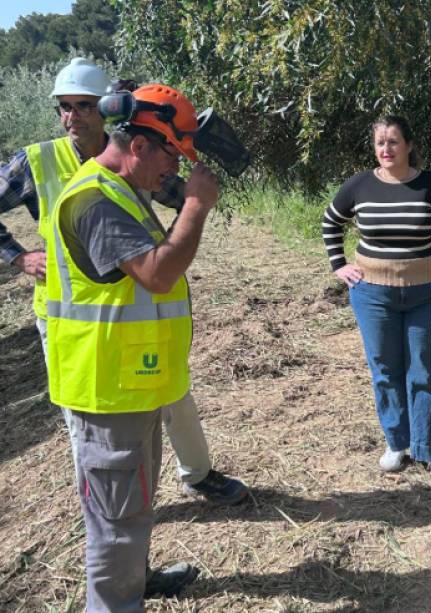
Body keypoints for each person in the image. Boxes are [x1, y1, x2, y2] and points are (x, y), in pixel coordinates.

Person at [0, 57, 247, 506]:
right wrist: (17, 257)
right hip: (76, 319)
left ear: (108, 109)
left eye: (84, 105)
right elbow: (162, 261)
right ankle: (108, 504)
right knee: (94, 431)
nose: (73, 116)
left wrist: (179, 162)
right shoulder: (37, 162)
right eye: (65, 106)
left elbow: (176, 192)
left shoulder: (134, 157)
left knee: (169, 398)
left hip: (134, 319)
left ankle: (192, 476)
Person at [44, 83, 227, 611]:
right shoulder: (95, 200)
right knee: (117, 522)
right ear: (140, 145)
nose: (175, 169)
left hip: (131, 383)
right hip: (106, 391)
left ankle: (135, 580)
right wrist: (194, 206)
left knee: (131, 508)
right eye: (173, 154)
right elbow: (158, 273)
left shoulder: (120, 188)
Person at [322, 115, 431, 486]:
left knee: (426, 371)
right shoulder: (359, 185)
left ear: (408, 145)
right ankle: (397, 443)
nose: (386, 149)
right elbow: (330, 222)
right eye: (380, 143)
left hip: (429, 293)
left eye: (393, 142)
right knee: (385, 370)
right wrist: (339, 265)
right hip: (373, 294)